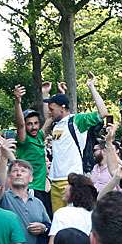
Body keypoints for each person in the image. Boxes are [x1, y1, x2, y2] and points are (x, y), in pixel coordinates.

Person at [43, 76, 108, 213]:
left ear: (62, 108)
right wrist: (49, 93)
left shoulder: (78, 121)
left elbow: (103, 113)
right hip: (55, 181)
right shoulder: (55, 125)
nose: (49, 112)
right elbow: (47, 116)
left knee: (73, 221)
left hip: (71, 181)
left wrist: (91, 86)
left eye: (52, 109)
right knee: (59, 221)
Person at [45, 173, 95, 244]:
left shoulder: (62, 213)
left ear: (76, 190)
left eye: (68, 184)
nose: (64, 187)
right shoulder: (93, 214)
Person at [13, 85, 51, 212]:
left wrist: (45, 94)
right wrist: (17, 102)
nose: (33, 127)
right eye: (29, 124)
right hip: (30, 189)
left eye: (35, 123)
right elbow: (20, 124)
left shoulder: (40, 136)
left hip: (41, 189)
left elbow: (49, 117)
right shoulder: (24, 140)